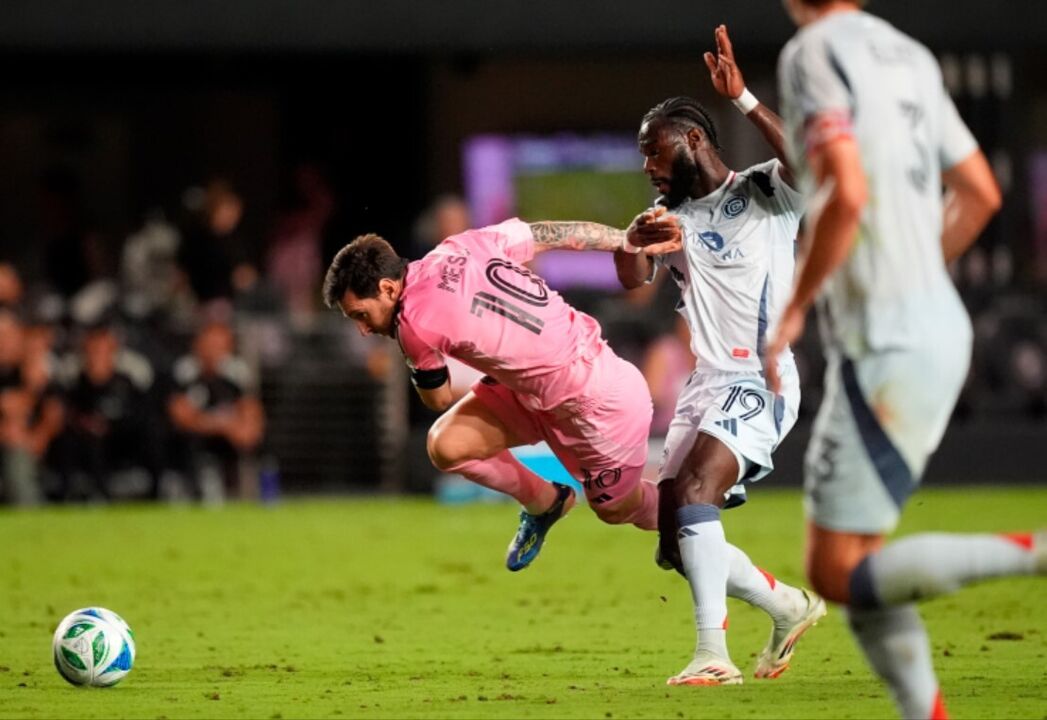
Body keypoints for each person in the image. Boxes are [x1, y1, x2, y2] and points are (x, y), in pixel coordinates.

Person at [770, 2, 1043, 718]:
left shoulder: (812, 53)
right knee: (860, 565)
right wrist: (918, 274)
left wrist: (797, 304)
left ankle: (1035, 551)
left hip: (883, 339)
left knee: (832, 569)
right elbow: (981, 194)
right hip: (937, 327)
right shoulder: (912, 56)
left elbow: (846, 193)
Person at [615, 25, 825, 686]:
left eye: (655, 152)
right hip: (706, 383)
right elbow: (630, 279)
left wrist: (743, 100)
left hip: (760, 376)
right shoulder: (666, 217)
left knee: (700, 490)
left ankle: (713, 655)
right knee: (677, 542)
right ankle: (785, 604)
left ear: (695, 141)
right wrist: (630, 242)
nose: (648, 165)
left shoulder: (764, 193)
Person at [322, 219, 673, 572]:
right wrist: (623, 240)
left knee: (617, 509)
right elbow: (551, 233)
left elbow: (438, 399)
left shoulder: (413, 326)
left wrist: (410, 357)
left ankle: (691, 511)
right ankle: (545, 503)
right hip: (531, 391)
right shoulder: (461, 245)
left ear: (387, 288)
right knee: (447, 445)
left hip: (595, 398)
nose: (364, 330)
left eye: (361, 315)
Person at [168, 320, 266, 502]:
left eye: (220, 346)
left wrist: (240, 430)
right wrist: (220, 424)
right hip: (194, 439)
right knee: (187, 441)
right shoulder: (184, 371)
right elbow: (181, 418)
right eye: (210, 344)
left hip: (226, 438)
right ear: (198, 344)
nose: (214, 352)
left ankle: (262, 493)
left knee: (257, 441)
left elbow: (252, 419)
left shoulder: (237, 374)